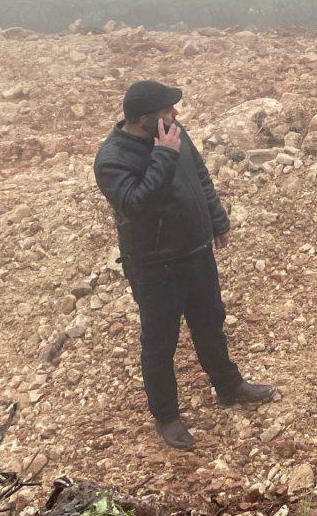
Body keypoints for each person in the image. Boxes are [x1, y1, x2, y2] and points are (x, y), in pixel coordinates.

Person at [94, 80, 274, 451]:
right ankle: (167, 416)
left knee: (211, 323)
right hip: (154, 265)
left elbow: (200, 177)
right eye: (167, 111)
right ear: (144, 119)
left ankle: (229, 386)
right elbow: (136, 204)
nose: (175, 116)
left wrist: (217, 220)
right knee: (160, 343)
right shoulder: (112, 158)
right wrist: (162, 155)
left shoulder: (174, 133)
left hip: (195, 251)